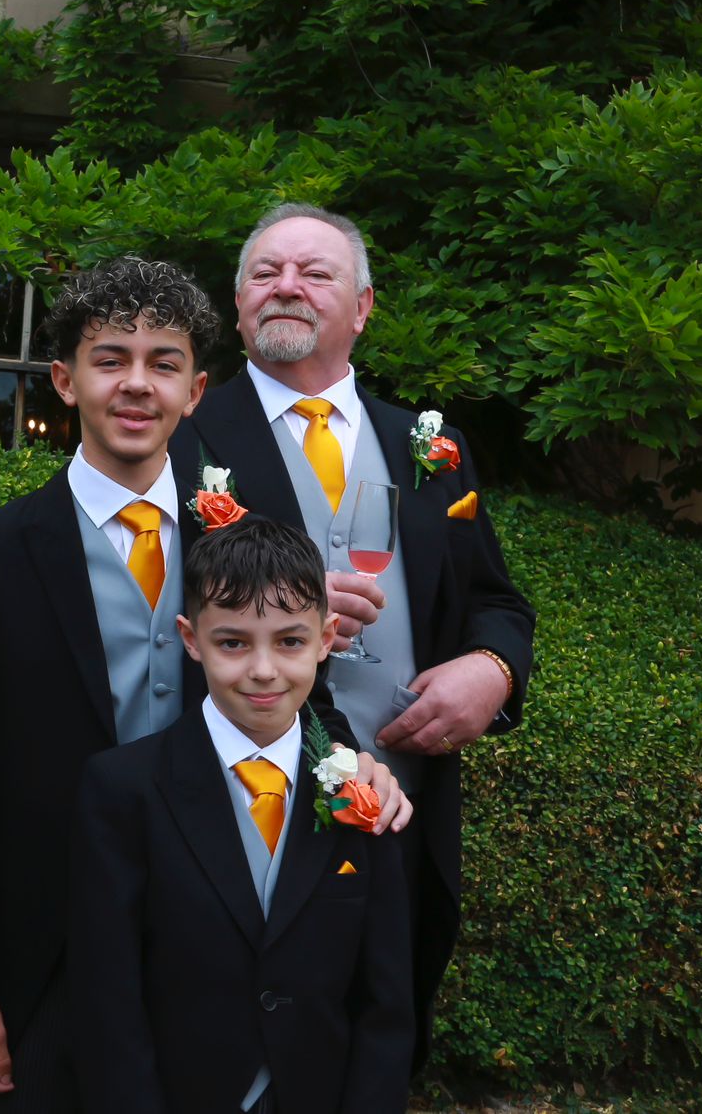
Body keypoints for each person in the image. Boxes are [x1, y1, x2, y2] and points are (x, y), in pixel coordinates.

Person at [0, 257, 407, 1110]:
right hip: (42, 950)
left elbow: (300, 693)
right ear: (65, 381)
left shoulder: (249, 544)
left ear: (196, 390)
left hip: (213, 950)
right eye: (110, 360)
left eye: (164, 363)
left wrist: (353, 765)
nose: (137, 385)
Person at [180, 203, 534, 1056]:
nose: (286, 287)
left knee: (381, 1042)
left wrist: (491, 668)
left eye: (315, 273)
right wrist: (279, 611)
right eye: (265, 273)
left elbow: (495, 599)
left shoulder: (431, 446)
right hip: (243, 813)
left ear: (363, 307)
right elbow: (146, 614)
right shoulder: (181, 436)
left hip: (403, 815)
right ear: (238, 304)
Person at [70, 516, 414, 1114]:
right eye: (233, 643)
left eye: (290, 642)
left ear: (327, 637)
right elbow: (107, 997)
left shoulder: (363, 794)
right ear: (191, 639)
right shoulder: (122, 790)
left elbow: (385, 1003)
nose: (263, 670)